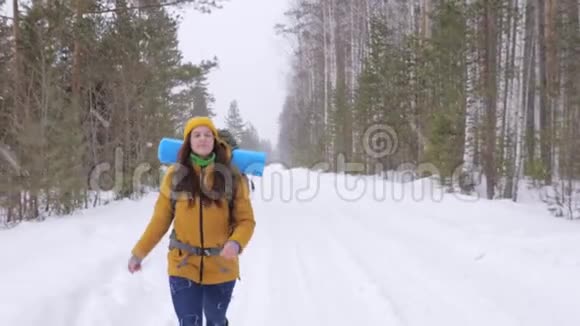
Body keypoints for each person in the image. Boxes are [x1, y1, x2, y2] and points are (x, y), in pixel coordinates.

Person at [127, 116, 256, 326]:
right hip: (182, 263)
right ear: (189, 142)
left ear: (215, 141)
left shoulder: (233, 177)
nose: (202, 139)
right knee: (189, 322)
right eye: (196, 135)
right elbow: (160, 219)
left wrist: (236, 242)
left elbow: (246, 220)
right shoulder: (174, 175)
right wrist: (138, 253)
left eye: (207, 135)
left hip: (222, 266)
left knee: (215, 320)